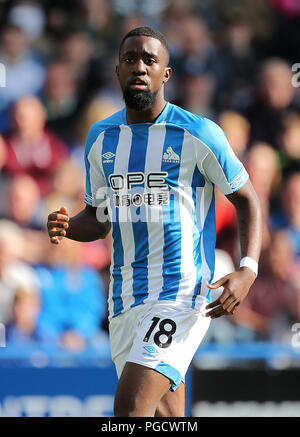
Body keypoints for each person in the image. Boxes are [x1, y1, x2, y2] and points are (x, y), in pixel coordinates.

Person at [46, 26, 262, 417]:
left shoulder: (199, 133)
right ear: (117, 72)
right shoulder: (100, 138)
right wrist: (68, 226)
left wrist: (248, 268)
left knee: (129, 410)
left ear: (166, 74)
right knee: (165, 416)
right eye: (130, 60)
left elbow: (247, 199)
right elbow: (100, 218)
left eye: (150, 60)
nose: (139, 67)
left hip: (180, 293)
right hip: (124, 299)